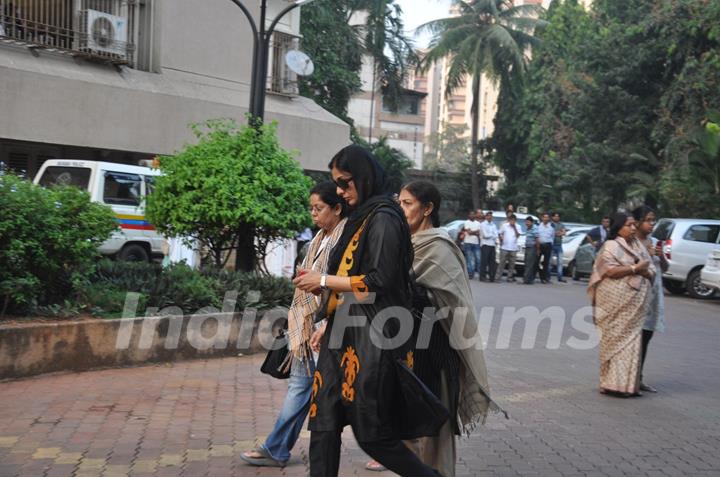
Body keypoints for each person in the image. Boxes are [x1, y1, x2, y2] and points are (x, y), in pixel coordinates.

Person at [293, 145, 443, 477]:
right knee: (323, 423)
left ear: (364, 177)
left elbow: (381, 281)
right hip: (342, 334)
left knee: (372, 434)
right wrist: (328, 305)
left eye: (345, 182)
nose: (340, 191)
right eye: (337, 184)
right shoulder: (361, 217)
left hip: (372, 338)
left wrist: (326, 279)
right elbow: (351, 279)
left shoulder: (385, 218)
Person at [398, 181, 503, 477]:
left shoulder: (439, 248)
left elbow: (455, 302)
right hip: (404, 344)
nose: (401, 208)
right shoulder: (403, 243)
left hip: (435, 349)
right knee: (406, 422)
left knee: (436, 427)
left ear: (428, 208)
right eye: (400, 202)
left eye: (408, 203)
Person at [240, 182, 347, 468]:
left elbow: (341, 285)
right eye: (311, 208)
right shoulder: (319, 238)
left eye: (319, 208)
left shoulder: (345, 240)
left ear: (337, 208)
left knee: (326, 391)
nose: (313, 214)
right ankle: (276, 448)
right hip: (303, 322)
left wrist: (325, 322)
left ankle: (385, 445)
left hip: (325, 324)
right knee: (301, 387)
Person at [587, 212, 655, 397]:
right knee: (615, 343)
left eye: (634, 225)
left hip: (634, 304)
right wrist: (635, 269)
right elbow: (608, 270)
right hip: (613, 303)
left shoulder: (638, 245)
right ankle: (611, 384)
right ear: (618, 227)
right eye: (629, 225)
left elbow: (650, 268)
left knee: (631, 343)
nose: (633, 228)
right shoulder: (611, 245)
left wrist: (644, 272)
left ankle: (625, 386)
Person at [632, 205, 668, 393]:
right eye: (648, 220)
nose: (651, 224)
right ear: (637, 222)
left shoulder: (655, 242)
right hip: (635, 297)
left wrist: (661, 258)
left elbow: (666, 269)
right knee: (632, 339)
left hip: (652, 298)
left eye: (653, 220)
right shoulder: (630, 243)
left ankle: (639, 377)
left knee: (645, 338)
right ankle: (628, 378)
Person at [496, 214, 520, 282]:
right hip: (504, 247)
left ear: (515, 221)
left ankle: (509, 277)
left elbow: (518, 235)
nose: (512, 221)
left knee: (512, 264)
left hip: (513, 248)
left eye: (514, 220)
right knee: (501, 263)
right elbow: (499, 233)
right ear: (509, 220)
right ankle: (498, 277)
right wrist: (501, 240)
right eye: (511, 220)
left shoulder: (518, 226)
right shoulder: (504, 225)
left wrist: (514, 227)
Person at [479, 211, 499, 282]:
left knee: (492, 262)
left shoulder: (493, 225)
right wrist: (492, 235)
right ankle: (482, 277)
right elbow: (485, 235)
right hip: (485, 245)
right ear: (486, 216)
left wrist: (491, 235)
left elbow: (496, 235)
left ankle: (491, 277)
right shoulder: (483, 224)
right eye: (489, 216)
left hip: (492, 245)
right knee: (484, 262)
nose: (490, 217)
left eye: (491, 216)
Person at [461, 210, 481, 279]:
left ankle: (479, 272)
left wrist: (472, 232)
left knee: (478, 258)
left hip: (476, 243)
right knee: (470, 259)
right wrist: (475, 232)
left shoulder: (478, 223)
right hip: (468, 242)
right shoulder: (466, 222)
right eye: (471, 214)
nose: (472, 215)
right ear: (469, 215)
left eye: (473, 214)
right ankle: (470, 273)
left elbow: (478, 233)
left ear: (475, 215)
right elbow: (468, 232)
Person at [536, 213, 554, 284]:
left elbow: (552, 237)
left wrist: (551, 245)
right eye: (544, 217)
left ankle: (544, 278)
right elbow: (537, 236)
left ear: (549, 218)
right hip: (540, 245)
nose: (546, 219)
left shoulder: (551, 227)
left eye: (547, 217)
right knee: (537, 261)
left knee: (546, 263)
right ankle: (539, 275)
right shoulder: (538, 226)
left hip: (548, 245)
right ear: (542, 218)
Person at [551, 212, 567, 282]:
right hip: (551, 244)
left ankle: (560, 277)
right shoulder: (550, 224)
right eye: (555, 216)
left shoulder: (561, 225)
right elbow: (551, 233)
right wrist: (558, 233)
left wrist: (557, 233)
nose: (556, 218)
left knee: (560, 262)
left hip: (559, 245)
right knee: (549, 262)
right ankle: (548, 276)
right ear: (552, 217)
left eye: (558, 216)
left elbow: (564, 233)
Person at [523, 217, 540, 284]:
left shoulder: (534, 228)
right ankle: (528, 279)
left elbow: (537, 240)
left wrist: (538, 249)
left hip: (532, 247)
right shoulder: (528, 228)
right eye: (526, 222)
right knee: (527, 263)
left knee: (530, 264)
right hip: (527, 247)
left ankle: (527, 280)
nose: (526, 223)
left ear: (532, 222)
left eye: (528, 222)